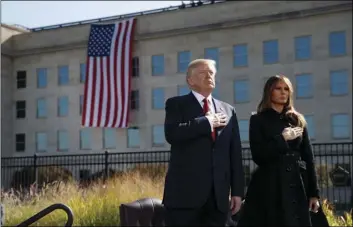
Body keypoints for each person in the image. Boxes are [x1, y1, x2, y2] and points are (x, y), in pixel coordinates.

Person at [237, 75, 329, 226]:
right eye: (278, 89)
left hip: (298, 184)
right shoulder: (258, 120)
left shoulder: (298, 119)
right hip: (270, 186)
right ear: (269, 92)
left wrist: (314, 194)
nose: (283, 92)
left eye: (286, 89)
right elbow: (258, 156)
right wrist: (282, 139)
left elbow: (308, 158)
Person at [162, 59, 245, 226]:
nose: (209, 76)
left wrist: (237, 192)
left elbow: (234, 154)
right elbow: (172, 134)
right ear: (190, 81)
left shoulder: (228, 110)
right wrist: (206, 123)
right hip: (184, 198)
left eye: (211, 73)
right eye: (202, 73)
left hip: (218, 200)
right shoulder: (176, 104)